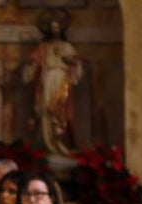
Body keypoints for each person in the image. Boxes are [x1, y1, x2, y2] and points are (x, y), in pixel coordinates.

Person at [23, 11, 82, 155]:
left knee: (61, 112)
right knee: (45, 110)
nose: (54, 30)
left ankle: (61, 143)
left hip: (62, 81)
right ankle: (47, 143)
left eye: (57, 27)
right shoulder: (43, 47)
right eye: (52, 27)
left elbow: (77, 65)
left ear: (61, 29)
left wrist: (72, 64)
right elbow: (31, 68)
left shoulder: (67, 47)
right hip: (47, 79)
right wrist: (33, 64)